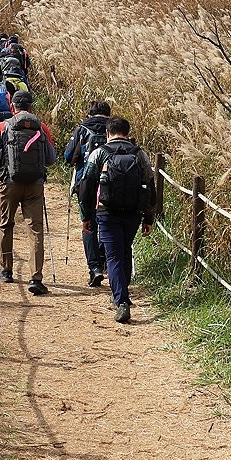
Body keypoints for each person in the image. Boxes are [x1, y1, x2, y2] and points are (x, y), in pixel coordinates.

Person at [76, 116, 156, 323]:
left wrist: (86, 216)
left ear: (108, 133)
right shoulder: (140, 155)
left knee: (112, 256)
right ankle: (122, 291)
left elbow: (86, 185)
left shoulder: (99, 153)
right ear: (128, 133)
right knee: (125, 249)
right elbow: (150, 186)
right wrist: (149, 218)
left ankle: (121, 300)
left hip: (106, 211)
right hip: (134, 212)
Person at [0, 91, 57, 294]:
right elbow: (51, 158)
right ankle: (36, 278)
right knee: (35, 230)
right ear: (31, 107)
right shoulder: (41, 127)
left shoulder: (2, 126)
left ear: (12, 106)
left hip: (10, 183)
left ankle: (6, 270)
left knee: (6, 224)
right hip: (35, 185)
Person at [63, 101, 111, 287]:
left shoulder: (82, 129)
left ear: (90, 114)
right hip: (110, 184)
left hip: (86, 183)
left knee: (88, 224)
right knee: (107, 223)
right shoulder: (113, 129)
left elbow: (68, 156)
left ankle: (95, 268)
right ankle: (105, 261)